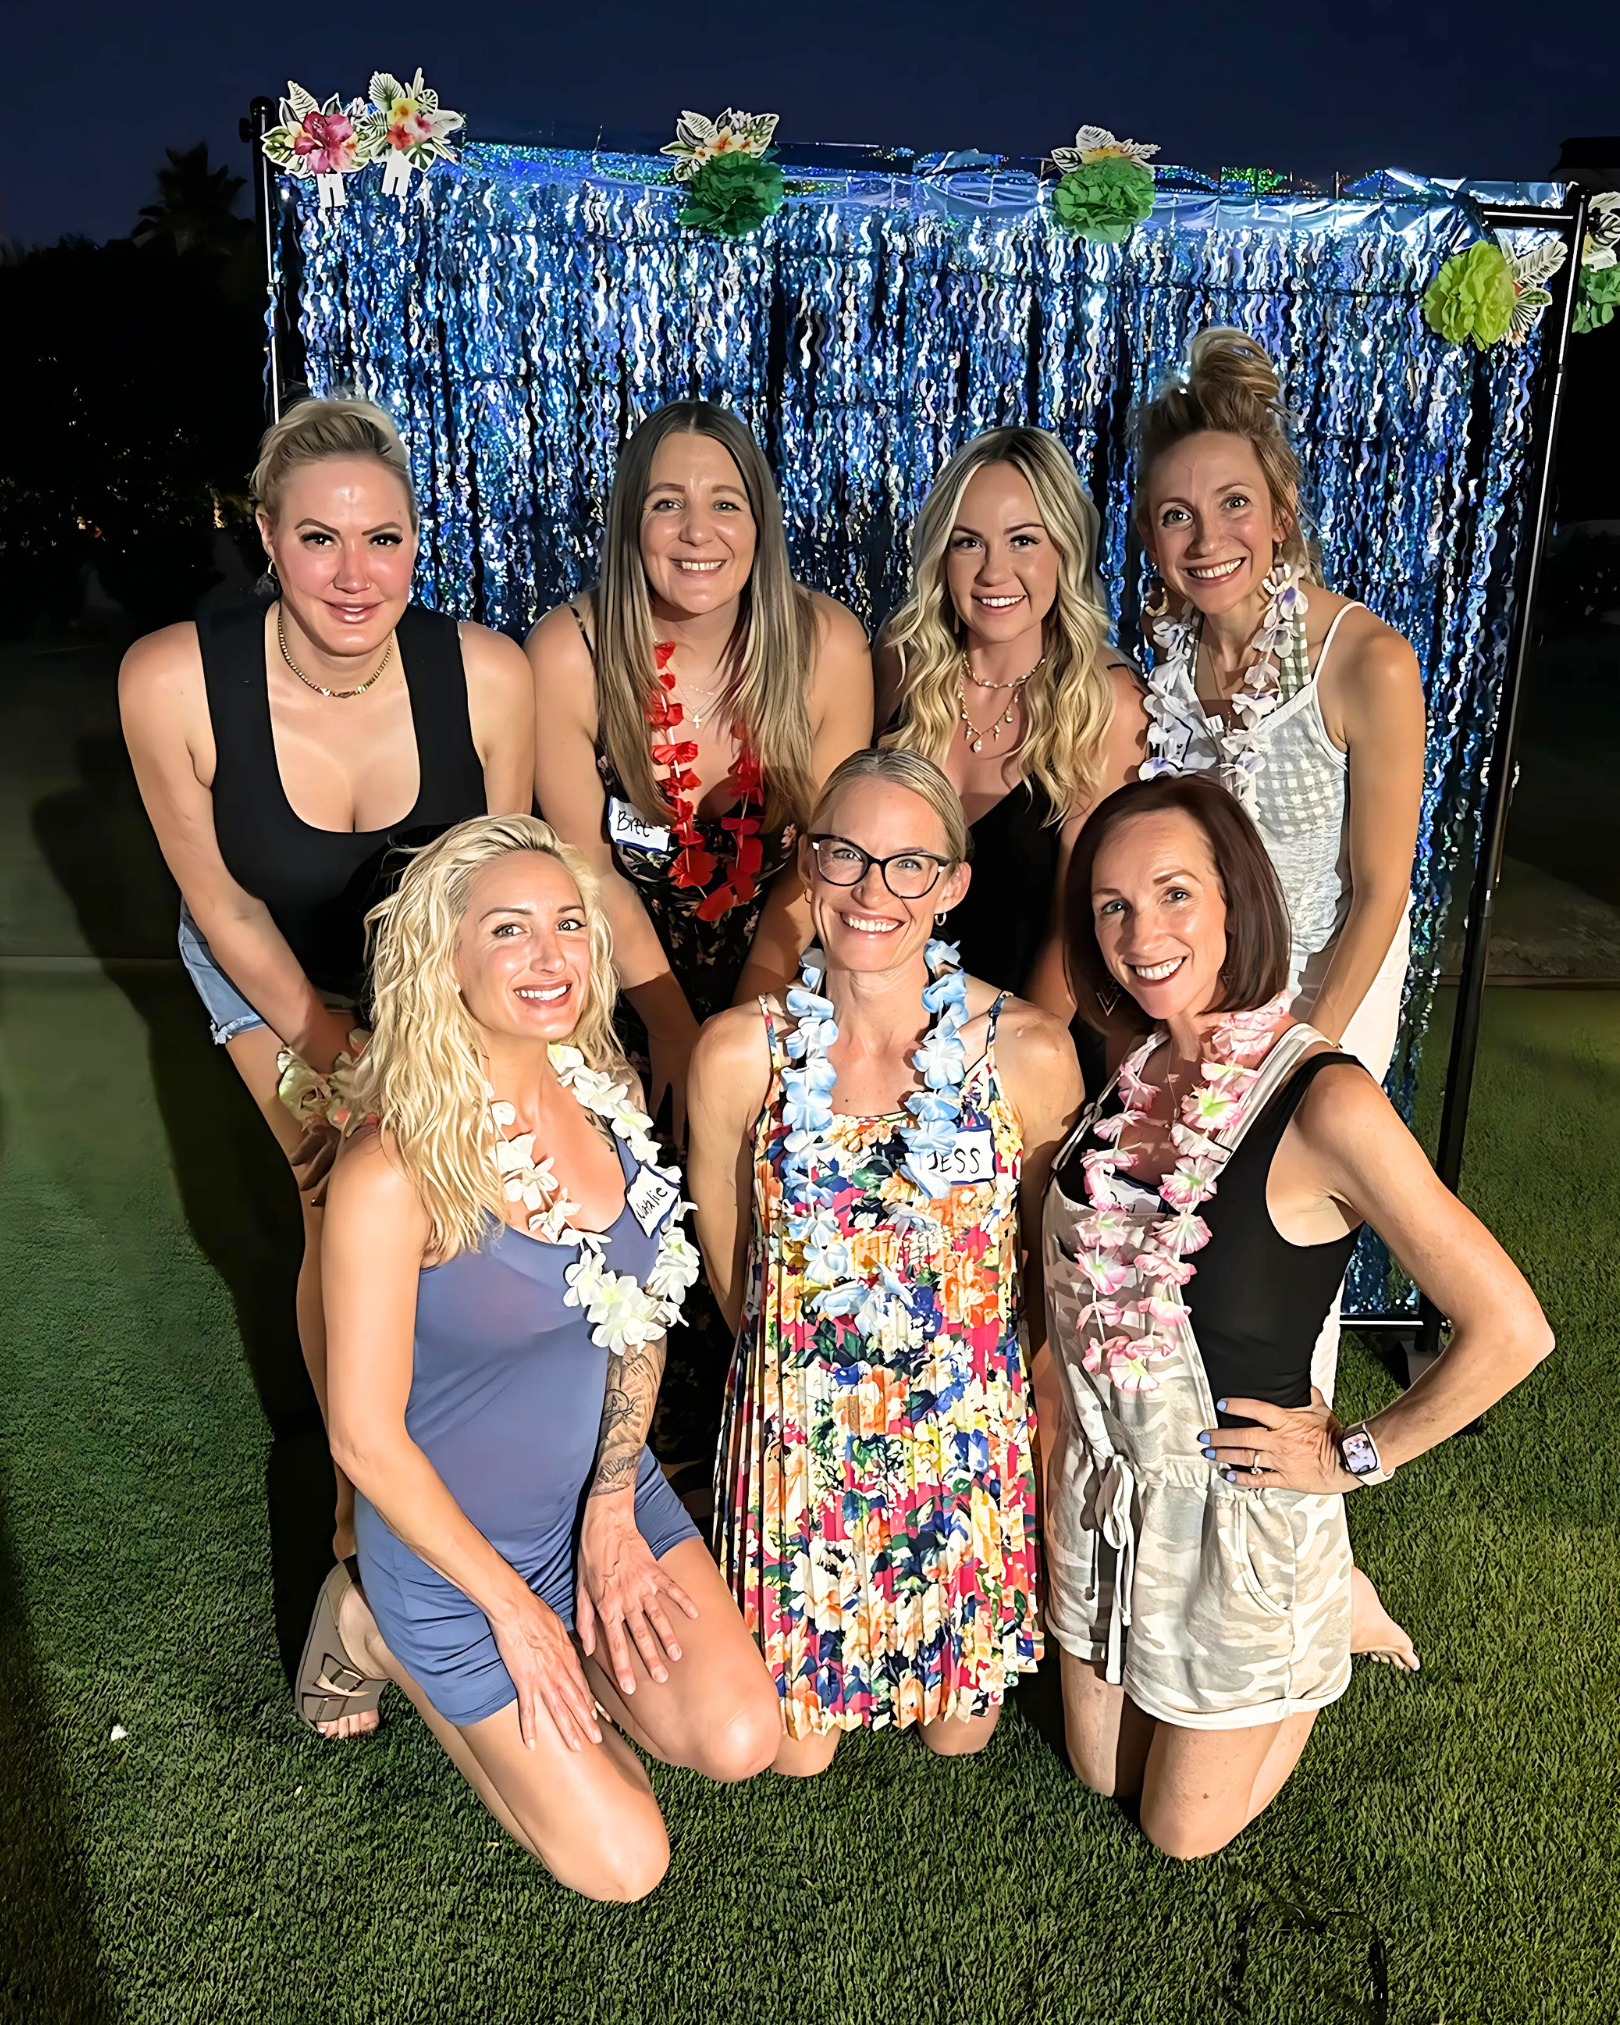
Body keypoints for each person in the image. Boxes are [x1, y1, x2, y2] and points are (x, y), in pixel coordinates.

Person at [1043, 775, 1552, 1859]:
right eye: (1113, 906)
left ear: (1238, 902)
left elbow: (1513, 1326)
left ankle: (1322, 1606)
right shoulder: (1130, 1069)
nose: (1145, 935)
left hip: (1240, 1511)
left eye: (1176, 893)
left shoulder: (1326, 1101)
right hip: (1108, 1496)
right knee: (1097, 1774)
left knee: (1182, 1832)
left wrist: (1355, 1453)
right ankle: (1321, 1597)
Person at [304, 815, 780, 1896]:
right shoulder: (395, 1172)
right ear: (447, 964)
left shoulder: (602, 1094)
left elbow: (644, 1314)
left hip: (602, 1502)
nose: (550, 954)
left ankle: (582, 1640)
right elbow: (364, 1440)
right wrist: (518, 1617)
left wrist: (614, 1510)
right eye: (508, 930)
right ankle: (376, 1633)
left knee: (745, 1737)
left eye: (568, 923)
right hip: (455, 1559)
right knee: (626, 1862)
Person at [119, 396, 534, 1593]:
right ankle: (358, 1518)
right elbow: (223, 904)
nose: (355, 576)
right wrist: (338, 1054)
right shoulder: (171, 683)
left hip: (440, 977)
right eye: (319, 540)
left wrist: (442, 1042)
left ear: (418, 539)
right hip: (270, 976)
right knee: (345, 1199)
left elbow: (502, 887)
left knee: (471, 1207)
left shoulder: (488, 674)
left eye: (384, 540)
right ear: (266, 536)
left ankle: (475, 1454)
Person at [687, 748, 1082, 1772]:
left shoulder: (1027, 1051)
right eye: (845, 857)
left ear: (952, 885)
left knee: (960, 1737)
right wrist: (804, 1378)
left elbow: (1051, 1262)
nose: (873, 891)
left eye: (909, 865)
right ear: (807, 867)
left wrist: (1007, 1406)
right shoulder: (740, 1051)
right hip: (800, 1438)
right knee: (794, 1753)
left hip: (960, 1443)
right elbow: (728, 1249)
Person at [526, 400, 873, 1470]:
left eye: (724, 503)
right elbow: (581, 867)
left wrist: (749, 1013)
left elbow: (829, 852)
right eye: (667, 504)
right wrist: (671, 1027)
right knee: (625, 1195)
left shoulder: (824, 644)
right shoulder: (572, 649)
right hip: (619, 976)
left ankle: (784, 1442)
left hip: (780, 964)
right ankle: (628, 1467)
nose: (696, 531)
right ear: (631, 523)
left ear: (761, 524)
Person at [1131, 330, 1426, 1396]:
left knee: (1282, 1251)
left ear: (1281, 513)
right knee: (1180, 1258)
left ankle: (1296, 1481)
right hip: (1199, 995)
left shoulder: (1368, 662)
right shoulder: (1159, 670)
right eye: (1177, 515)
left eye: (1234, 506)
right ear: (1151, 538)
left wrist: (1301, 1052)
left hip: (1325, 985)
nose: (1209, 539)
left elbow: (1384, 888)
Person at [876, 426, 1147, 1024]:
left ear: (1065, 551)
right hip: (881, 1025)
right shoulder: (901, 663)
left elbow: (1076, 925)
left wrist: (1005, 1066)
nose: (993, 572)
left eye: (1023, 540)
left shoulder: (1108, 701)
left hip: (1028, 1035)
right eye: (968, 543)